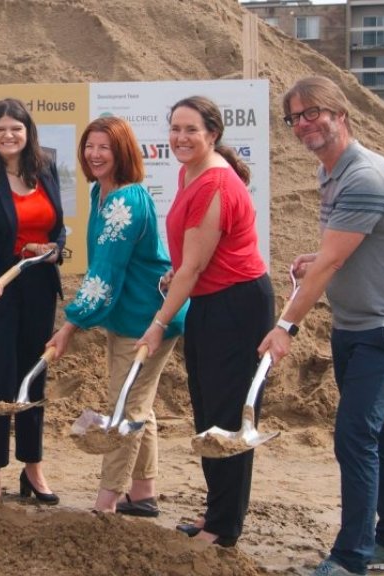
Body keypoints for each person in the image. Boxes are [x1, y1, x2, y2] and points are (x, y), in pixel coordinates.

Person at [259, 76, 384, 576]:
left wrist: (285, 327)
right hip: (354, 325)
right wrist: (321, 255)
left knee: (354, 434)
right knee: (380, 434)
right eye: (295, 118)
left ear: (340, 114)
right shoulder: (329, 172)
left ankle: (352, 556)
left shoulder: (364, 175)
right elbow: (340, 251)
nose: (304, 124)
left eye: (313, 113)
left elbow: (332, 264)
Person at [136, 96, 273, 547]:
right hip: (211, 302)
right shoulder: (189, 172)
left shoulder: (214, 184)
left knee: (226, 420)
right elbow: (194, 261)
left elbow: (195, 268)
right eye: (175, 128)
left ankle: (223, 528)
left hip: (235, 308)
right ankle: (217, 513)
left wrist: (158, 323)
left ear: (212, 133)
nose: (180, 137)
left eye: (190, 129)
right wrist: (181, 271)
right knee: (207, 413)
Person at [47, 117, 187, 515]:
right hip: (134, 315)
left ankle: (106, 501)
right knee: (139, 402)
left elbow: (105, 273)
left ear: (122, 152)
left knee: (126, 408)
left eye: (104, 147)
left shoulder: (125, 201)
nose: (94, 154)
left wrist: (71, 324)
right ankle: (142, 494)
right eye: (90, 146)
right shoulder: (101, 192)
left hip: (148, 320)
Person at [0, 98, 66, 505]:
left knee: (32, 377)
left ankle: (32, 468)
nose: (9, 135)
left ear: (28, 133)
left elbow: (58, 228)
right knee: (0, 382)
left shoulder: (46, 169)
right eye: (1, 128)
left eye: (16, 129)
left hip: (39, 286)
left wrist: (55, 249)